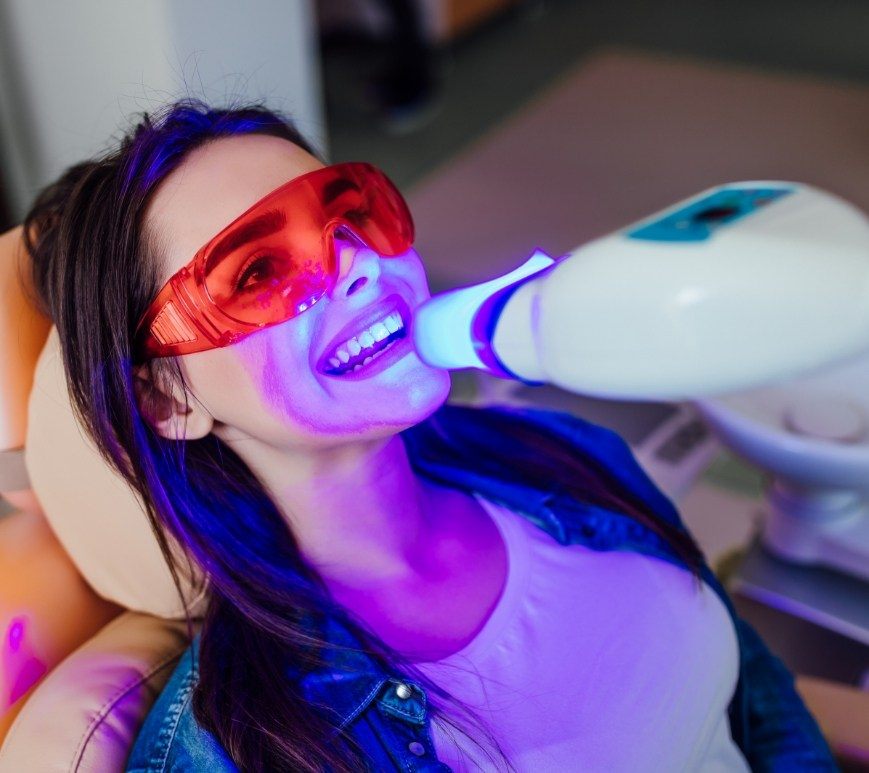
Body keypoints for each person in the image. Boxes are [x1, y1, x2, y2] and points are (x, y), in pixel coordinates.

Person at [22, 100, 835, 772]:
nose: (357, 267)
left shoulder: (567, 452)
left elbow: (758, 708)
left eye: (349, 215)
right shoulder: (239, 750)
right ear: (168, 399)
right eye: (259, 273)